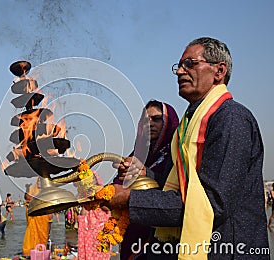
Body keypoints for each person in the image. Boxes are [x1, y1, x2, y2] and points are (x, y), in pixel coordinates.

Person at [106, 37, 269, 259]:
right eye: (179, 66)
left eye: (190, 64)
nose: (180, 72)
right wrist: (146, 174)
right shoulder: (188, 125)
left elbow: (212, 203)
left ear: (219, 71)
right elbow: (181, 186)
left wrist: (129, 199)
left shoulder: (230, 118)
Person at [112, 100, 179, 259]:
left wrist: (147, 174)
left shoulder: (176, 153)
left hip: (162, 232)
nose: (150, 123)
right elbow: (121, 184)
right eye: (145, 120)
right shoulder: (139, 152)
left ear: (169, 123)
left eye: (156, 119)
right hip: (133, 226)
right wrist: (123, 175)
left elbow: (179, 189)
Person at [21, 178, 53, 256]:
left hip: (43, 216)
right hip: (33, 217)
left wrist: (50, 213)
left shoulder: (45, 191)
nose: (39, 183)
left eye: (41, 181)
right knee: (31, 232)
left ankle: (41, 250)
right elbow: (27, 198)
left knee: (44, 234)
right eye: (38, 181)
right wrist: (27, 188)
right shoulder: (32, 189)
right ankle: (30, 251)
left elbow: (49, 203)